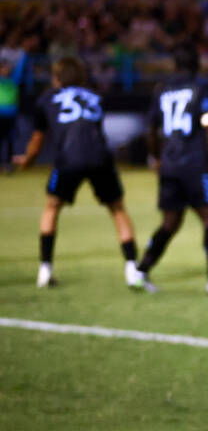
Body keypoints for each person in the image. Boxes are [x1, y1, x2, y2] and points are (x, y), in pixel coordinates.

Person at [14, 57, 145, 289]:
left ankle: (45, 269)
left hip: (69, 159)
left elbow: (37, 138)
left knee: (52, 207)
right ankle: (132, 268)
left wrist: (27, 160)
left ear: (57, 78)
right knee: (117, 209)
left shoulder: (47, 98)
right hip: (100, 158)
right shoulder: (95, 97)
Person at [134, 47, 208, 294]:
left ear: (174, 65)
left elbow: (151, 129)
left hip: (169, 165)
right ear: (196, 65)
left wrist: (156, 157)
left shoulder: (162, 90)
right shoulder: (201, 87)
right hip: (194, 165)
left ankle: (141, 271)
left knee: (170, 222)